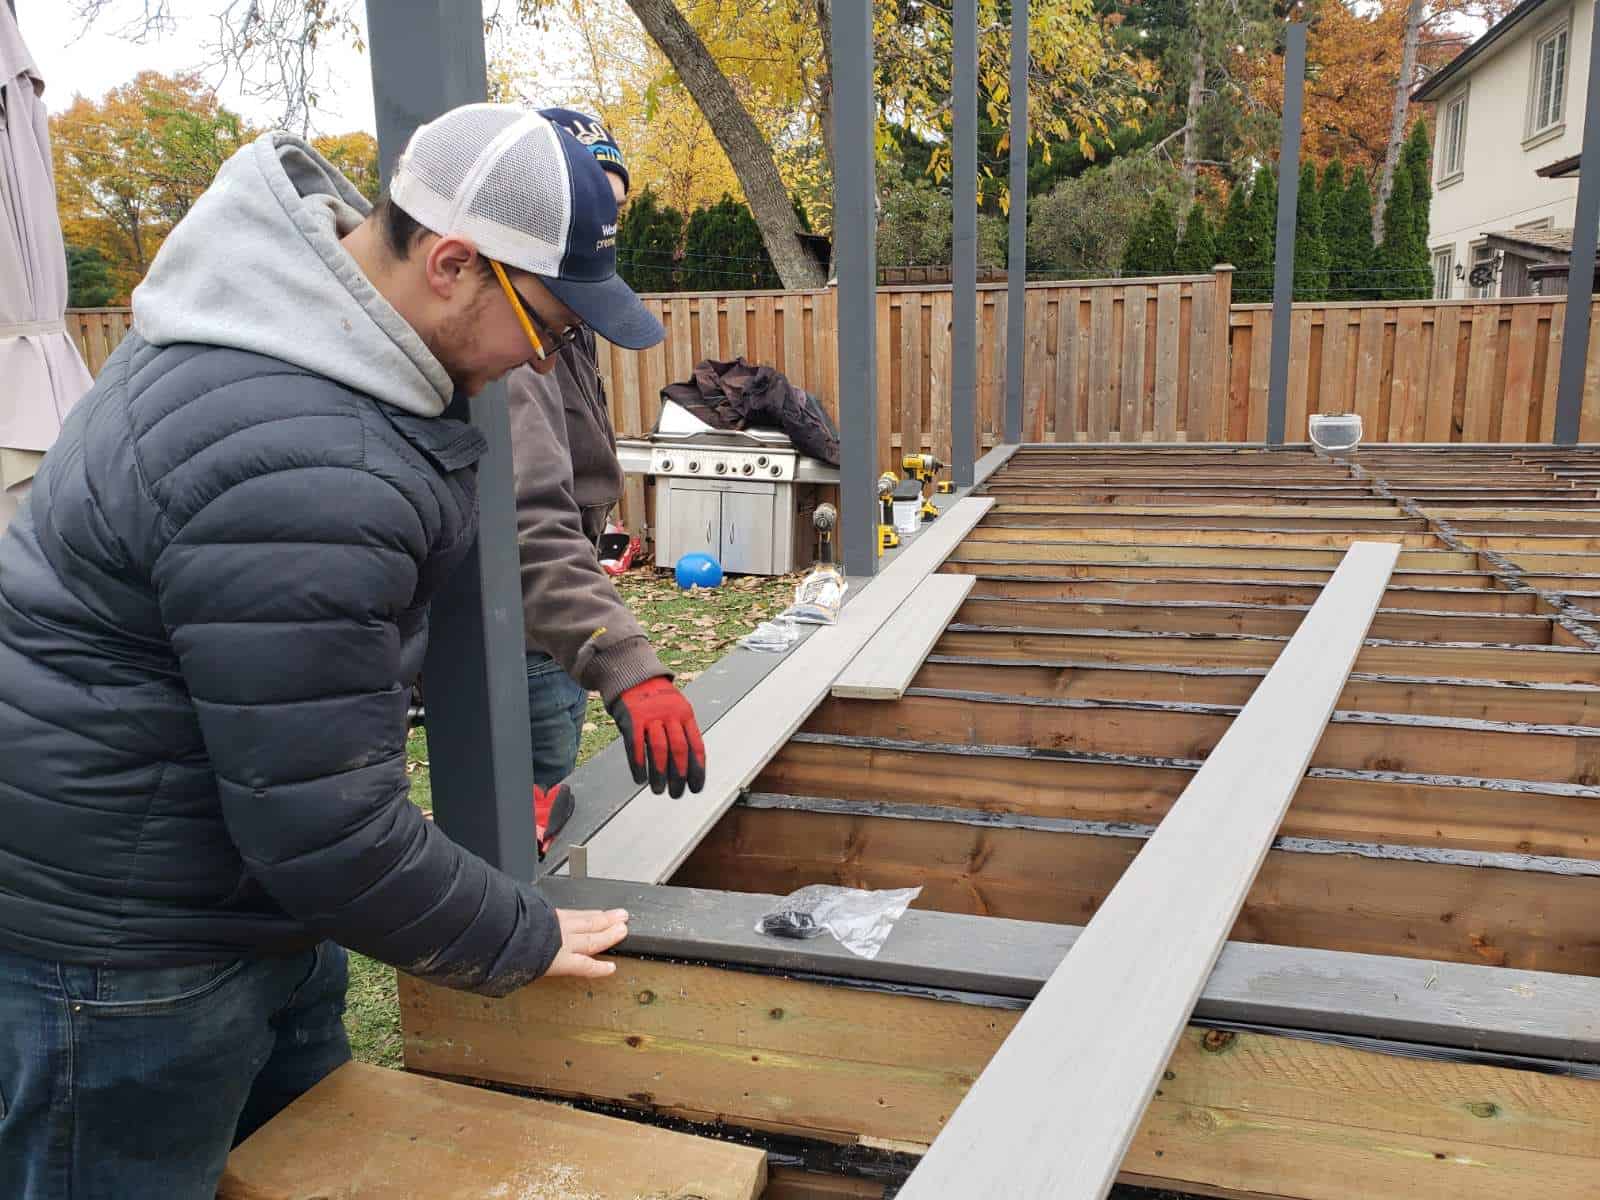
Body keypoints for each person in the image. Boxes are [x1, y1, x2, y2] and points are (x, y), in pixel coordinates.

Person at [0, 105, 659, 1199]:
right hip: (124, 945)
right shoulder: (307, 455)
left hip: (227, 893)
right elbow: (322, 825)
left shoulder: (282, 331)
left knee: (299, 1160)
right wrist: (517, 933)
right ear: (454, 264)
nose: (543, 358)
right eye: (547, 327)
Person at [506, 108, 707, 811]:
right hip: (532, 609)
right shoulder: (510, 337)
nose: (606, 228)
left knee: (549, 750)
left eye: (617, 207)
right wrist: (628, 663)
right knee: (532, 763)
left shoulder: (564, 314)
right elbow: (527, 520)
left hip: (562, 594)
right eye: (593, 202)